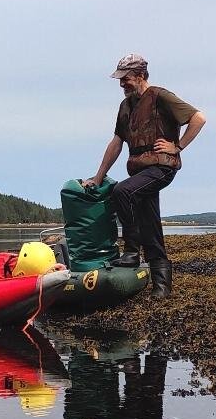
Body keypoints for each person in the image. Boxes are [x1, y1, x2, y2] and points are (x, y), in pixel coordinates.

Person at [82, 53, 206, 297]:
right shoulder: (125, 106)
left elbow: (198, 119)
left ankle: (131, 251)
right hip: (140, 170)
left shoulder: (160, 96)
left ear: (140, 75)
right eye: (120, 80)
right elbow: (116, 143)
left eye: (125, 78)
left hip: (161, 167)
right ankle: (162, 286)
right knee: (150, 222)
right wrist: (98, 177)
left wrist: (177, 146)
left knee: (122, 191)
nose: (122, 84)